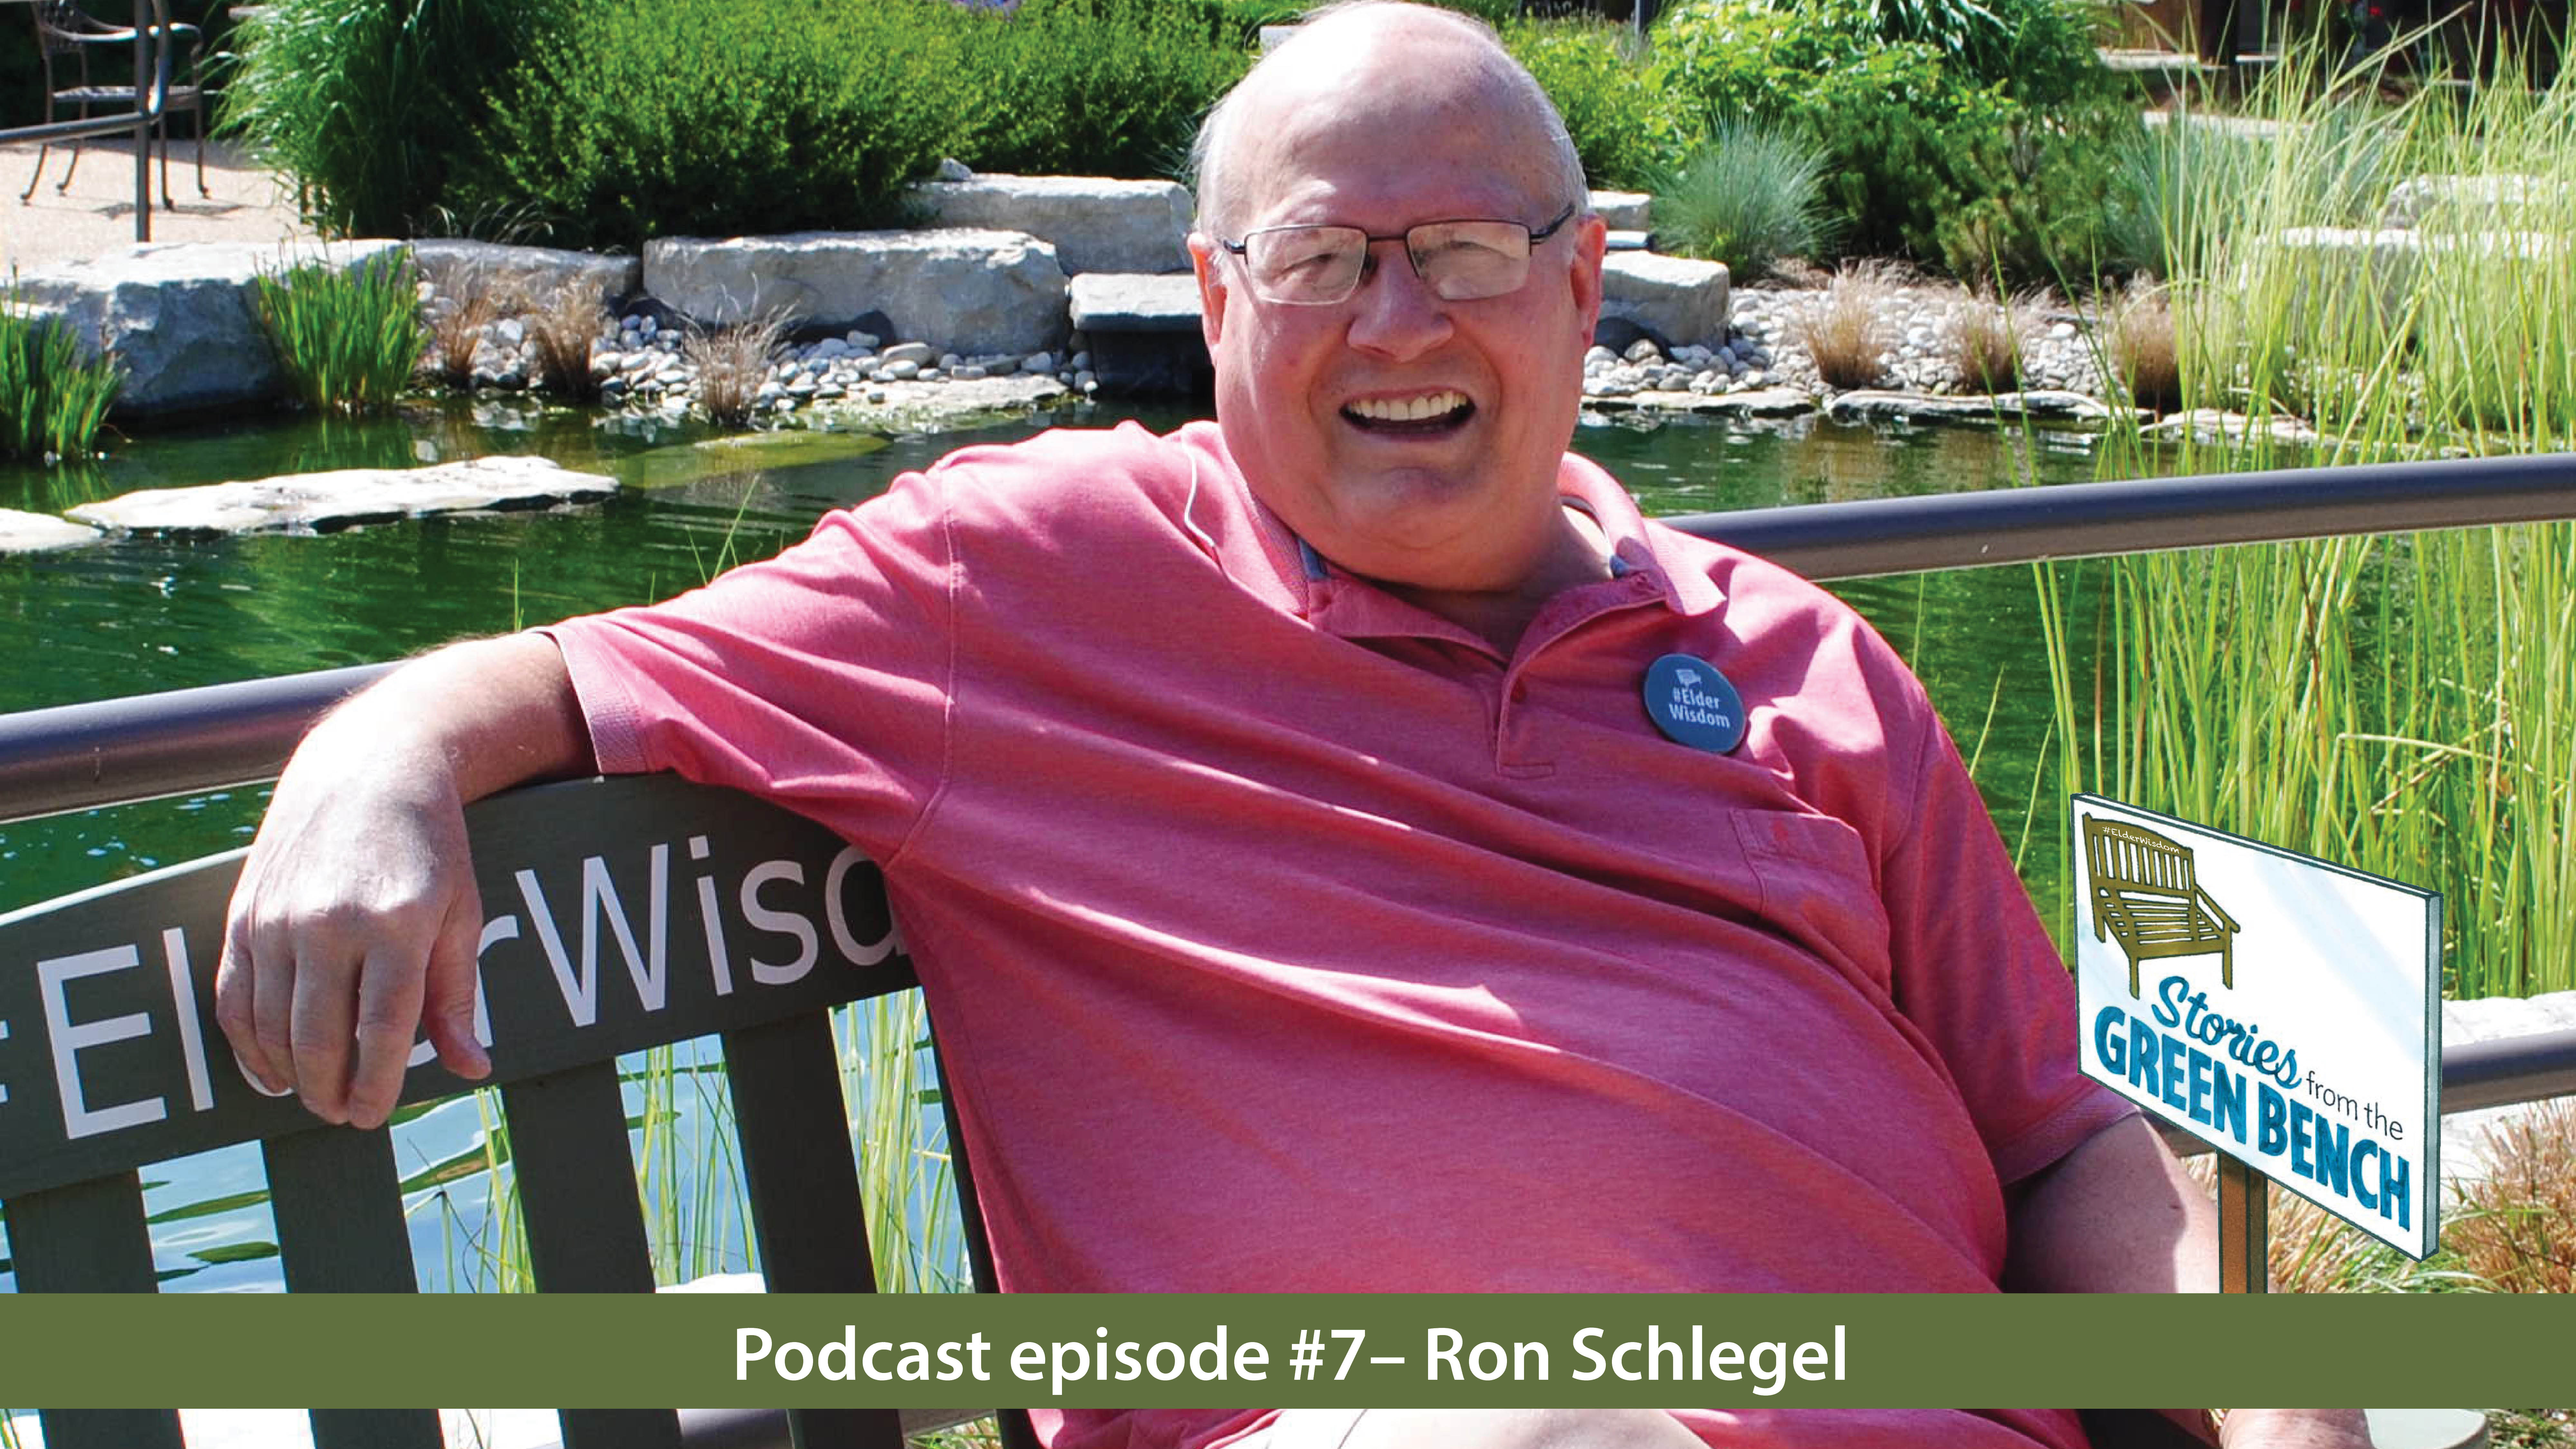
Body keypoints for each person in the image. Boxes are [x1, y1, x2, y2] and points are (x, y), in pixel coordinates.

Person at [212, 5, 2372, 1448]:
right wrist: (380, 759)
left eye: (1458, 249)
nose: (1400, 321)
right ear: (1220, 300)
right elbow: (581, 671)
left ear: (1585, 281)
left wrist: (2271, 1377)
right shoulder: (1030, 582)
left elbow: (2061, 1135)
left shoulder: (1799, 659)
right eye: (1327, 257)